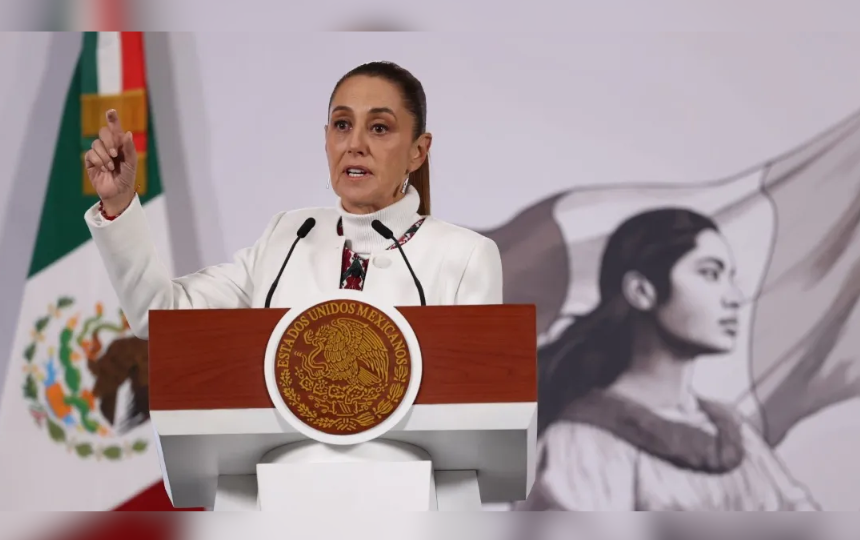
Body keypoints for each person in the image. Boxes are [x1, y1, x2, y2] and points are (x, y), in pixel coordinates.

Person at [83, 61, 503, 338]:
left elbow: (480, 403)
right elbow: (160, 314)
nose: (354, 144)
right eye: (342, 125)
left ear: (418, 150)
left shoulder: (464, 257)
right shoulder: (288, 238)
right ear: (326, 138)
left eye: (379, 128)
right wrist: (119, 205)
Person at [518, 208, 818, 511]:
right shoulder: (582, 442)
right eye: (710, 274)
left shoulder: (736, 433)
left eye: (730, 277)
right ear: (641, 291)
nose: (734, 297)